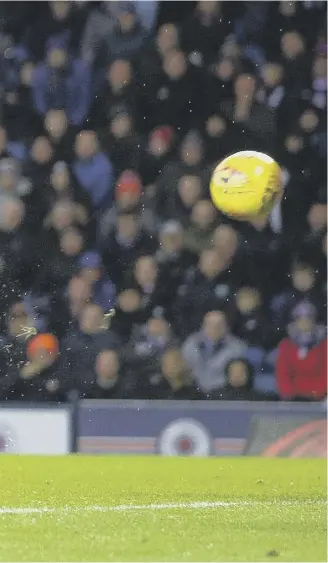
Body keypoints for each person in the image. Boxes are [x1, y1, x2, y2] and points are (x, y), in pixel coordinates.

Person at [276, 302, 327, 401]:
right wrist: (290, 396)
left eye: (308, 319)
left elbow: (326, 373)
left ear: (314, 321)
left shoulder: (324, 345)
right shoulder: (286, 345)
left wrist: (317, 394)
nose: (304, 323)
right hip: (292, 398)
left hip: (319, 398)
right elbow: (282, 374)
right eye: (300, 319)